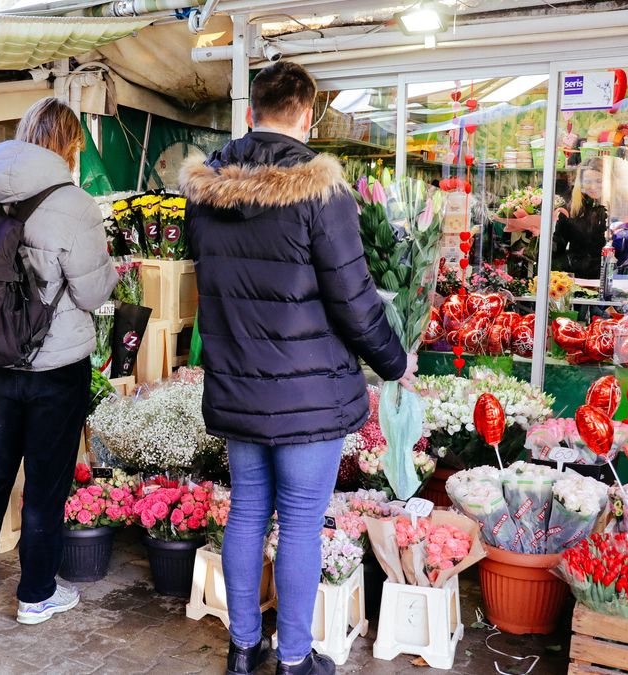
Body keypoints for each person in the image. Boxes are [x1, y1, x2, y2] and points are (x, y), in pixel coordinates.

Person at [181, 62, 416, 675]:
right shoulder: (321, 191)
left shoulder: (204, 192)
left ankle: (242, 650)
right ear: (308, 116)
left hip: (237, 382)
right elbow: (354, 299)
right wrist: (395, 362)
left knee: (247, 512)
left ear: (251, 111)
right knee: (301, 526)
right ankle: (292, 660)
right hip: (309, 394)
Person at [0, 97, 118, 625]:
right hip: (56, 367)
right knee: (46, 483)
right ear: (68, 145)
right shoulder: (75, 204)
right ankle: (36, 594)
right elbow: (92, 293)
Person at [553, 158, 610, 280]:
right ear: (581, 183)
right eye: (588, 181)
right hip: (578, 278)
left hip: (612, 277)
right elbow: (557, 248)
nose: (593, 186)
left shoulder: (616, 207)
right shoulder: (570, 208)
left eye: (599, 181)